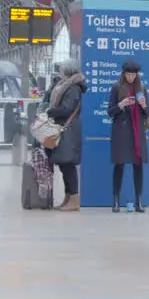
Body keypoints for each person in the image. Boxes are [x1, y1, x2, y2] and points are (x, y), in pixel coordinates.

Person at [108, 58, 148, 213]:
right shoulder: (116, 87)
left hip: (137, 131)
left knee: (138, 165)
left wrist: (144, 105)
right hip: (122, 131)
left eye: (133, 75)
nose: (131, 77)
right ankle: (116, 200)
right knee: (119, 165)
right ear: (123, 74)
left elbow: (148, 112)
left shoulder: (141, 89)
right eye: (128, 74)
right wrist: (121, 104)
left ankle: (139, 201)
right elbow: (110, 111)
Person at [44, 61, 85, 212]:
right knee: (63, 164)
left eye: (61, 69)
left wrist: (51, 111)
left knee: (68, 164)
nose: (59, 71)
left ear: (68, 71)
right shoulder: (64, 85)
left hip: (68, 129)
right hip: (64, 128)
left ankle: (74, 199)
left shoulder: (73, 88)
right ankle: (67, 198)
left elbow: (67, 109)